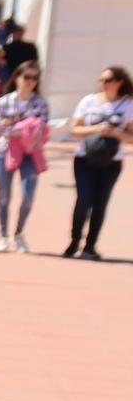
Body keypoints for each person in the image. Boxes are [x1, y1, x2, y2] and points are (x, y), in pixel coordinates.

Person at [67, 65, 132, 260]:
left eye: (108, 80)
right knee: (84, 199)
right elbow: (74, 129)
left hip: (112, 161)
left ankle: (90, 246)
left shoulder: (128, 105)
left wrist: (115, 132)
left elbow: (131, 137)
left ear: (119, 82)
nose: (103, 83)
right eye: (101, 79)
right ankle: (74, 241)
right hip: (85, 158)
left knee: (100, 202)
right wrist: (95, 129)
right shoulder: (89, 101)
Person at [0, 61, 52, 254]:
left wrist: (13, 125)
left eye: (35, 78)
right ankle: (3, 236)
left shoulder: (40, 103)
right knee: (4, 196)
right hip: (6, 150)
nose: (30, 81)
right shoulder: (4, 102)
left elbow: (42, 130)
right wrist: (25, 126)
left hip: (31, 152)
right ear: (17, 77)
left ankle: (18, 233)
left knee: (28, 196)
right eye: (27, 77)